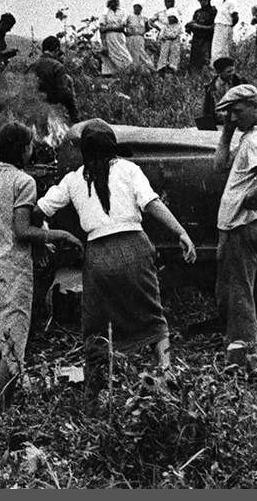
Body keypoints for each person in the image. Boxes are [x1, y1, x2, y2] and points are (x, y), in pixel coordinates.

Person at [37, 121, 196, 394]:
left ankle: (96, 388)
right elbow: (152, 203)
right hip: (135, 247)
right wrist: (181, 232)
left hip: (98, 256)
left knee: (96, 323)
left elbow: (39, 210)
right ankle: (165, 374)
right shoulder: (128, 169)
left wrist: (48, 237)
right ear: (113, 147)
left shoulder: (73, 179)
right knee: (152, 315)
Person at [0, 122, 82, 405]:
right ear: (23, 149)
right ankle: (6, 408)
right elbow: (22, 230)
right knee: (15, 338)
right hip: (10, 267)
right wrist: (61, 234)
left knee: (2, 325)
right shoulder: (23, 182)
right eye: (29, 145)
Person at [213, 85, 257, 372]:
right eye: (228, 113)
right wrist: (228, 131)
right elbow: (219, 166)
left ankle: (243, 364)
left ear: (255, 107)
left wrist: (250, 198)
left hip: (244, 225)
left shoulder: (256, 140)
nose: (232, 117)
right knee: (233, 292)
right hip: (239, 225)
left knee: (238, 294)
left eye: (237, 111)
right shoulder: (254, 136)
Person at [29, 36, 79, 123]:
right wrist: (73, 114)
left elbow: (26, 89)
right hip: (52, 113)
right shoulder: (57, 67)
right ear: (56, 49)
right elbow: (64, 93)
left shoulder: (32, 66)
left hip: (33, 111)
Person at [201, 57, 247, 124]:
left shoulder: (240, 81)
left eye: (233, 70)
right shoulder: (211, 88)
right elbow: (206, 110)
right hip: (219, 123)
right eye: (229, 72)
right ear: (219, 72)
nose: (232, 73)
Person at [98, 0, 132, 75]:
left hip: (119, 37)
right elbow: (102, 29)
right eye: (111, 1)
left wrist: (108, 27)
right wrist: (104, 44)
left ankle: (125, 72)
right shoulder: (105, 13)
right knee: (110, 57)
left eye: (115, 1)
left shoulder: (122, 12)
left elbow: (122, 27)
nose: (113, 3)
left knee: (125, 57)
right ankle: (112, 75)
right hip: (109, 38)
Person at [185, 0, 218, 73]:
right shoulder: (197, 12)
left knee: (206, 61)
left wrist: (198, 27)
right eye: (201, 0)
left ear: (209, 0)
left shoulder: (213, 11)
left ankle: (206, 79)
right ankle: (194, 81)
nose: (203, 2)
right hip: (196, 39)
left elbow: (214, 26)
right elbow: (192, 22)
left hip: (208, 39)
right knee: (195, 61)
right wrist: (189, 26)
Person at [211, 0, 239, 64]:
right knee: (216, 49)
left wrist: (229, 26)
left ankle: (224, 66)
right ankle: (215, 67)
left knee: (224, 49)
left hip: (225, 26)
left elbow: (235, 17)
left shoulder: (231, 2)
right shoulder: (220, 2)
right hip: (218, 26)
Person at [126, 1, 152, 68]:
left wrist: (142, 31)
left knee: (141, 53)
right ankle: (133, 70)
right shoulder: (129, 17)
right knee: (131, 54)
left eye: (139, 7)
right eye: (136, 6)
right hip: (130, 37)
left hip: (140, 37)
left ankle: (149, 68)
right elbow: (123, 26)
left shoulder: (144, 18)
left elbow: (148, 28)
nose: (137, 8)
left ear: (141, 8)